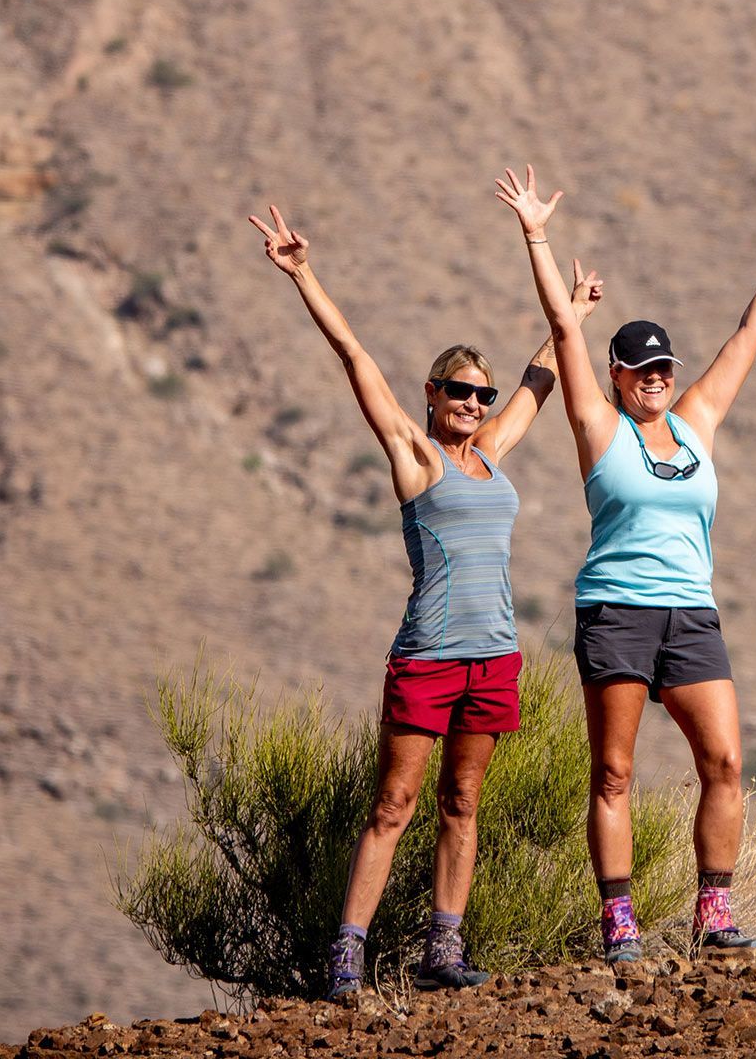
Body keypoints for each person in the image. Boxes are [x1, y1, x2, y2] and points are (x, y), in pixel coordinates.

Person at [248, 203, 603, 998]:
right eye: (457, 392)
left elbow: (539, 380)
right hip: (429, 656)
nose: (474, 404)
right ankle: (347, 951)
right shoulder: (418, 457)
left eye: (480, 394)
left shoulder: (492, 454)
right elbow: (353, 356)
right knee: (394, 803)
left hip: (494, 657)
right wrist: (303, 272)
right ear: (433, 393)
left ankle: (444, 948)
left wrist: (569, 318)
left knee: (463, 803)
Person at [494, 165, 756, 962]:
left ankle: (712, 911)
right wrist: (537, 234)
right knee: (613, 773)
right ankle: (618, 920)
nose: (657, 380)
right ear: (616, 376)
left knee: (725, 761)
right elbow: (559, 323)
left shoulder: (696, 423)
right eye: (641, 369)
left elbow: (749, 336)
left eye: (665, 369)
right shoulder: (597, 425)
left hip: (691, 613)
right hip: (616, 612)